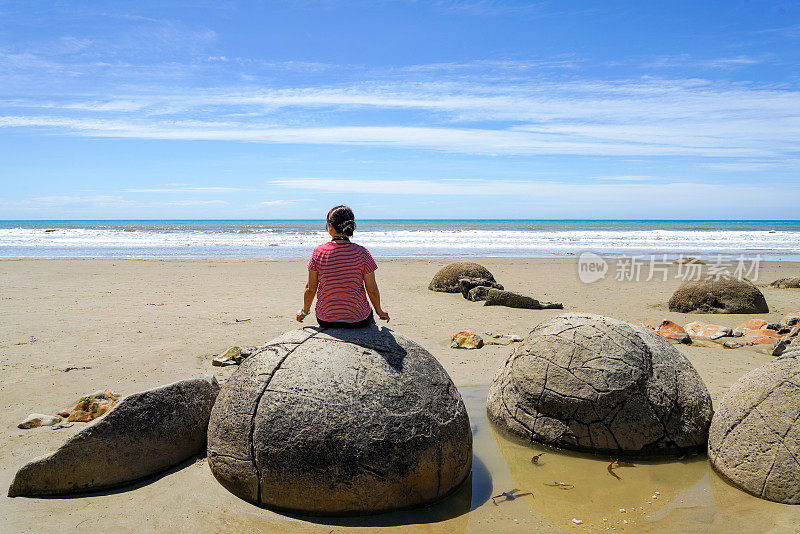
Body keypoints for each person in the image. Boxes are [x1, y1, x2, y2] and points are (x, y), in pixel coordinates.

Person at [297, 205, 390, 327]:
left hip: (326, 318)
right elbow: (371, 289)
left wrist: (304, 311)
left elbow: (310, 289)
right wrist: (379, 311)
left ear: (330, 226)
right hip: (358, 318)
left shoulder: (318, 252)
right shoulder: (362, 252)